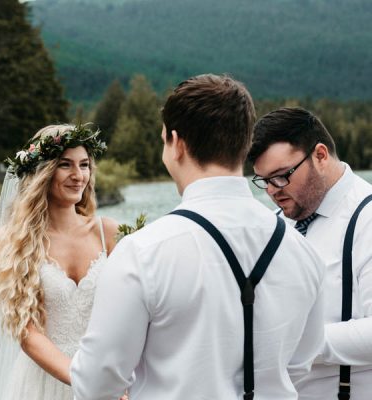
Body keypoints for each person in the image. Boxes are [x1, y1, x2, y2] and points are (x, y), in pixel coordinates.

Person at [71, 74, 326, 400]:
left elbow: (95, 384)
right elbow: (301, 363)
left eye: (164, 139)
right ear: (245, 143)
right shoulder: (303, 251)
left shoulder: (143, 252)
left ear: (176, 143)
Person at [0, 124, 119, 400]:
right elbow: (27, 332)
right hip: (42, 383)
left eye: (84, 165)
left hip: (103, 377)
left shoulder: (108, 232)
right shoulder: (11, 241)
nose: (78, 176)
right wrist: (81, 378)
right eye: (66, 165)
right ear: (44, 172)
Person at [248, 107, 372, 400]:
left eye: (281, 176)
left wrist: (291, 342)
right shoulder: (274, 226)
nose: (272, 190)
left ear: (320, 155)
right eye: (262, 180)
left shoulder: (368, 218)